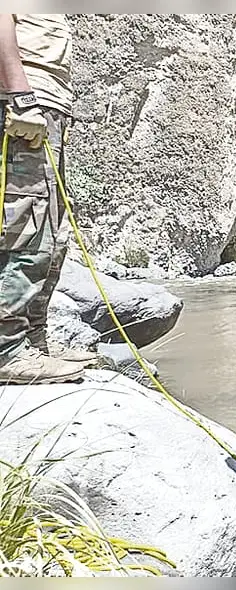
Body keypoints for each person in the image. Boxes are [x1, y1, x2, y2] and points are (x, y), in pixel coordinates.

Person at [0, 13, 98, 385]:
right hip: (24, 101)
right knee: (24, 224)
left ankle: (33, 340)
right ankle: (6, 349)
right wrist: (20, 95)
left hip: (46, 103)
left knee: (52, 231)